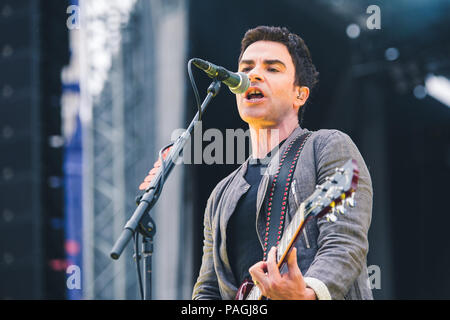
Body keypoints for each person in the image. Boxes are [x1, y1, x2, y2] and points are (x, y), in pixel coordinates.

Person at [140, 26, 373, 300]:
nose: (254, 75)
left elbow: (345, 242)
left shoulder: (327, 147)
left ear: (300, 94)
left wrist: (308, 293)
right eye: (246, 67)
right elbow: (208, 289)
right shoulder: (220, 195)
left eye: (272, 69)